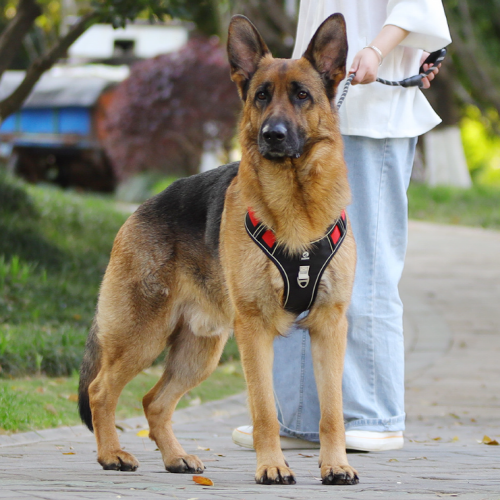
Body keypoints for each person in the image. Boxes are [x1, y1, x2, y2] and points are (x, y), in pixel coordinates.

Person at [232, 0, 451, 452]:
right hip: (313, 106)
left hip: (375, 113)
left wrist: (378, 48)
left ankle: (373, 415)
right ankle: (298, 418)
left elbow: (416, 6)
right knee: (294, 273)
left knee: (363, 270)